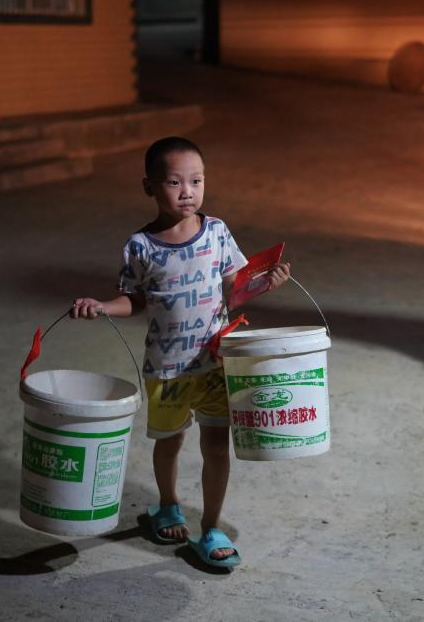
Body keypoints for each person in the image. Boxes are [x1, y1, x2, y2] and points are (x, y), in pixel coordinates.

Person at [71, 136, 290, 568]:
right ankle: (169, 505)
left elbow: (235, 288)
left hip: (214, 364)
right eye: (174, 182)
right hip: (166, 369)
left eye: (196, 181)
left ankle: (210, 527)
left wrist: (265, 283)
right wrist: (102, 306)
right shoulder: (141, 246)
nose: (187, 191)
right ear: (149, 187)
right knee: (169, 442)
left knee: (217, 446)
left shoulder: (217, 232)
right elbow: (134, 300)